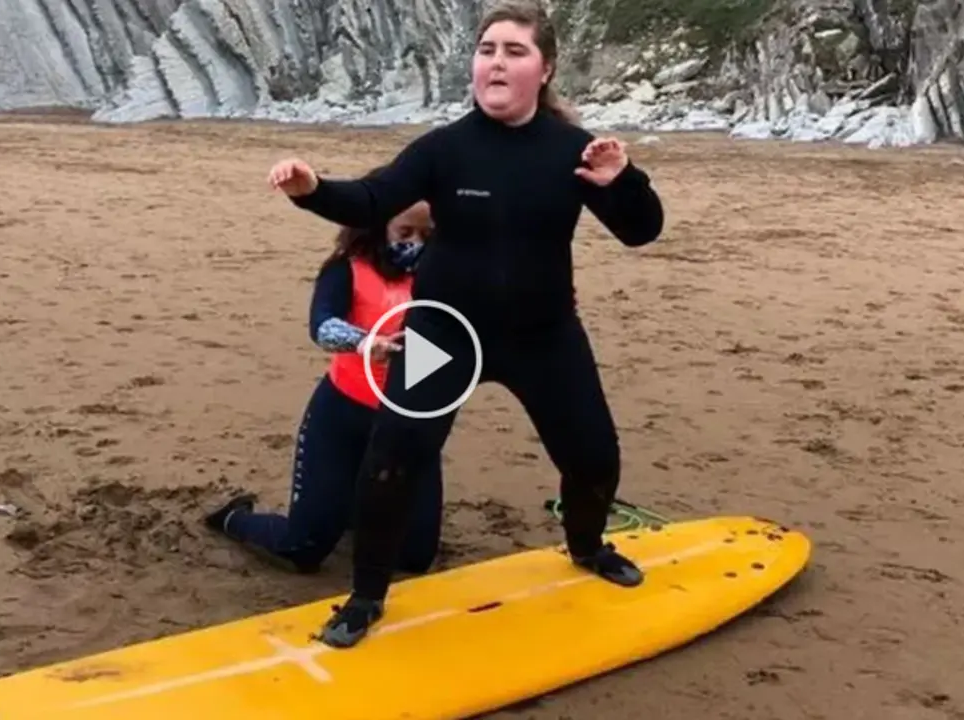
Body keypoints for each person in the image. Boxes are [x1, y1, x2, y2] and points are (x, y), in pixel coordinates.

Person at [266, 0, 665, 649]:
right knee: (392, 461)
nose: (497, 62)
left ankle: (588, 548)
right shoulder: (444, 150)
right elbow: (370, 199)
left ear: (546, 68)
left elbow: (641, 230)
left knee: (594, 458)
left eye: (514, 51)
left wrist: (625, 180)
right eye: (487, 50)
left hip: (543, 336)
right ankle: (365, 596)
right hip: (444, 335)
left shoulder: (572, 151)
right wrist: (312, 187)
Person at [204, 170, 444, 576]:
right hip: (343, 414)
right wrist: (366, 342)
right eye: (405, 231)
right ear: (379, 225)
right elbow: (322, 325)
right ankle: (233, 518)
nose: (415, 243)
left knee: (414, 557)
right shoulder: (346, 270)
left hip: (408, 425)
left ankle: (356, 500)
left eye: (426, 234)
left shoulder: (444, 277)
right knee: (304, 547)